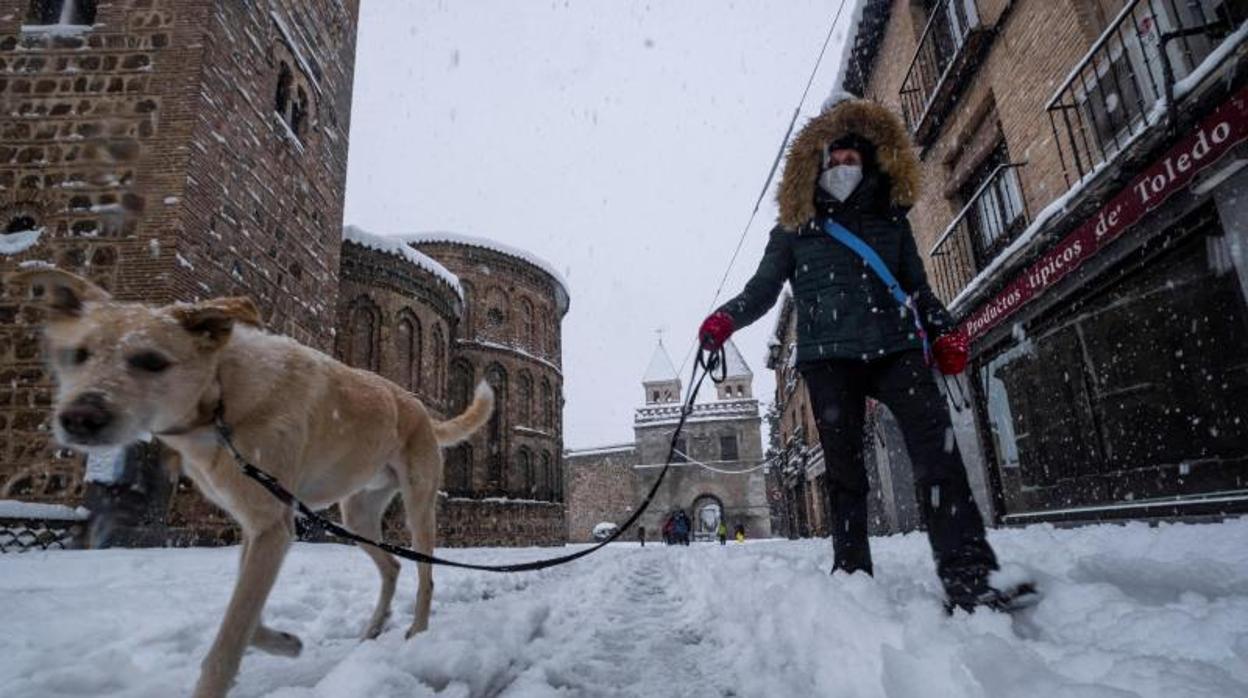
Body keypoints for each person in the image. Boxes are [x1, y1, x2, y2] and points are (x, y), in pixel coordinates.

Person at [698, 92, 1032, 612]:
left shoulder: (890, 222)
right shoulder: (793, 229)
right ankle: (853, 576)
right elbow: (762, 291)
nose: (841, 164)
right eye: (832, 155)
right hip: (828, 361)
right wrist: (724, 320)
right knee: (845, 473)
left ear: (871, 157)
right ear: (817, 160)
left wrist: (943, 330)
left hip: (896, 349)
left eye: (851, 155)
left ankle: (969, 577)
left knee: (939, 458)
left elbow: (916, 288)